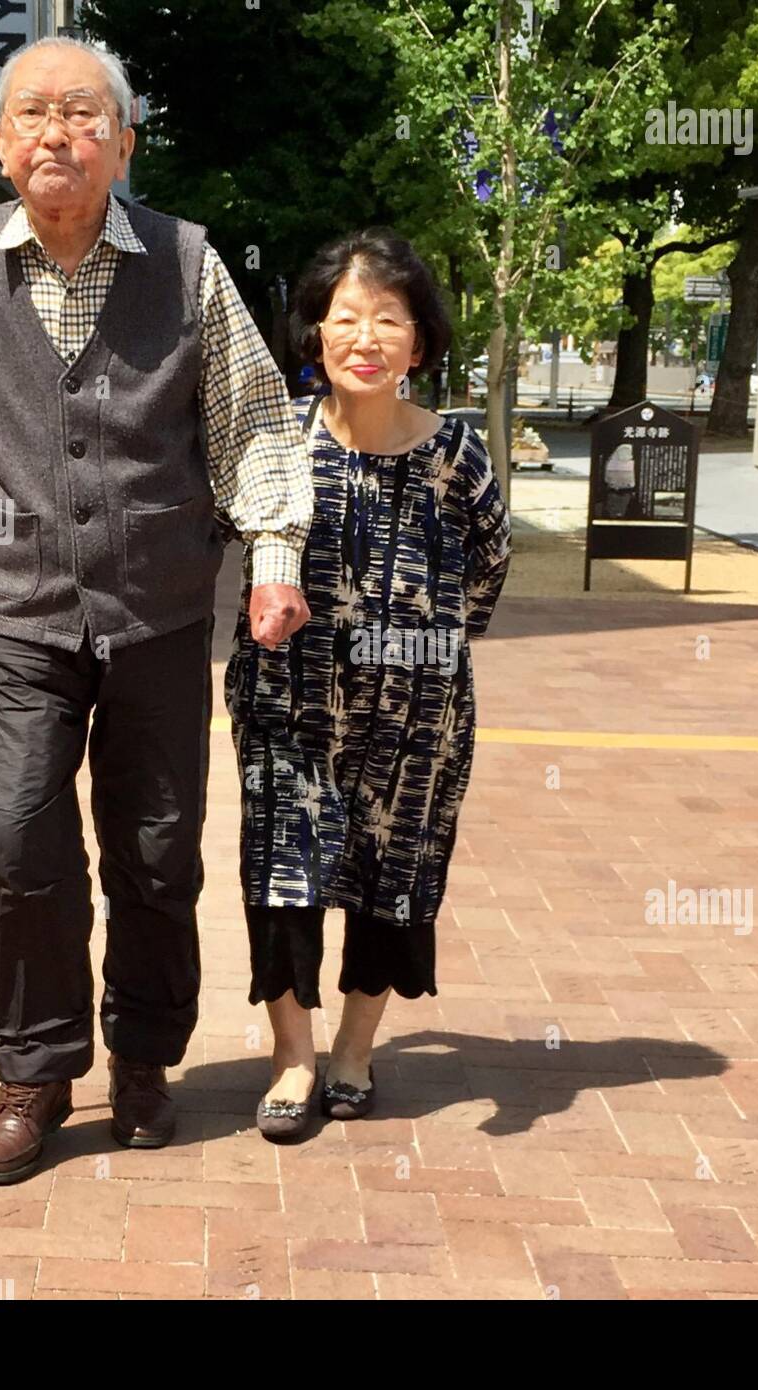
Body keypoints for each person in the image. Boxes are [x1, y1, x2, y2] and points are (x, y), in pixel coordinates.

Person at [0, 35, 313, 1184]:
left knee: (158, 853)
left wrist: (273, 555)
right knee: (17, 842)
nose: (54, 133)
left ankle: (142, 1059)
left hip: (160, 611)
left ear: (123, 141)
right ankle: (35, 1068)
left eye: (81, 114)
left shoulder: (185, 260)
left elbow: (254, 421)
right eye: (30, 114)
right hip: (23, 616)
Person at [226, 228, 512, 1141]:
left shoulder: (457, 456)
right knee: (283, 873)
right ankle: (291, 1057)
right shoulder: (279, 447)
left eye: (389, 320)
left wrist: (413, 651)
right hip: (288, 708)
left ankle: (354, 1048)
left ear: (419, 343)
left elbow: (486, 575)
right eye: (345, 318)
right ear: (314, 335)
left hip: (418, 719)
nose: (365, 337)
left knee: (396, 877)